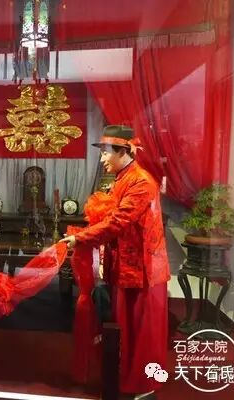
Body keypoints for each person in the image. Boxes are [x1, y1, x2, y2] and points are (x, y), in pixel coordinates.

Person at [61, 125, 170, 399]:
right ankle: (123, 378)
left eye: (105, 153)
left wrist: (80, 238)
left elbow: (118, 222)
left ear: (123, 152)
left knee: (140, 330)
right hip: (125, 266)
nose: (101, 160)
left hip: (143, 269)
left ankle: (142, 385)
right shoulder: (123, 178)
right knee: (123, 327)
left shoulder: (141, 182)